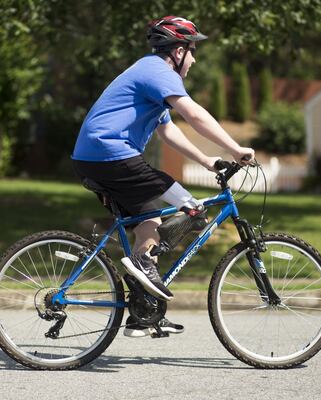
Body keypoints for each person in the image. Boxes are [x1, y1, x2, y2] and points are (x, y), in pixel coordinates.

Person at [71, 15, 254, 337]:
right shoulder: (156, 71)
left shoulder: (150, 74)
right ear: (178, 51)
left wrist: (208, 160)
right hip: (109, 153)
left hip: (99, 157)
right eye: (192, 51)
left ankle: (143, 314)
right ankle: (143, 268)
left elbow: (168, 130)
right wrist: (235, 147)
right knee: (192, 209)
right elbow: (193, 114)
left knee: (150, 223)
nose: (194, 60)